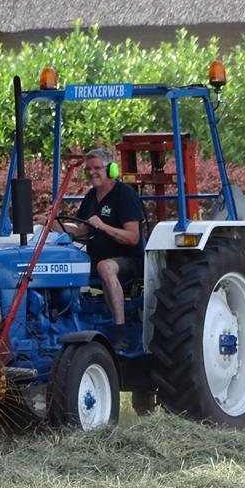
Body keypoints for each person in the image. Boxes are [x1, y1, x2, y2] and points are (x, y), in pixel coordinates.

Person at [57, 146, 144, 346]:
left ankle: (120, 331)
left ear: (111, 169)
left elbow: (133, 238)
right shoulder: (90, 197)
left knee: (105, 267)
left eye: (97, 168)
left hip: (128, 261)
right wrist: (50, 223)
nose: (92, 172)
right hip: (95, 258)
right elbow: (81, 231)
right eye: (88, 169)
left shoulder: (125, 195)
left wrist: (104, 226)